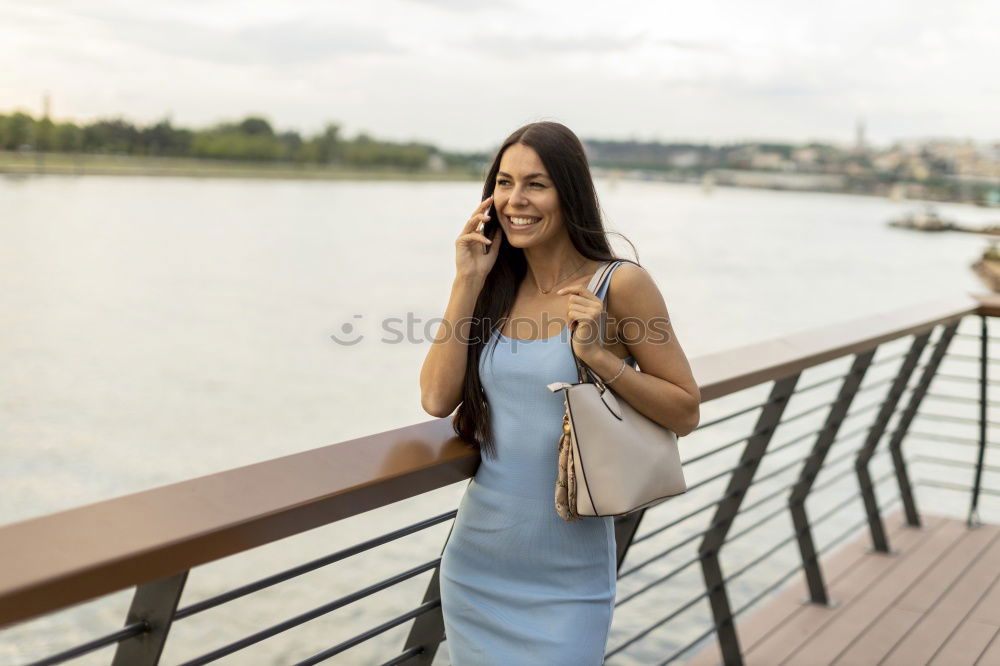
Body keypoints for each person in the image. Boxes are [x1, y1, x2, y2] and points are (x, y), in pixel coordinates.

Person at [419, 121, 701, 665]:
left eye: (535, 184)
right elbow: (435, 398)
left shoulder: (621, 285)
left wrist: (597, 357)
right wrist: (465, 281)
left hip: (569, 574)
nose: (514, 200)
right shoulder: (492, 286)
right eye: (503, 183)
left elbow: (685, 410)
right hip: (478, 562)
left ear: (569, 192)